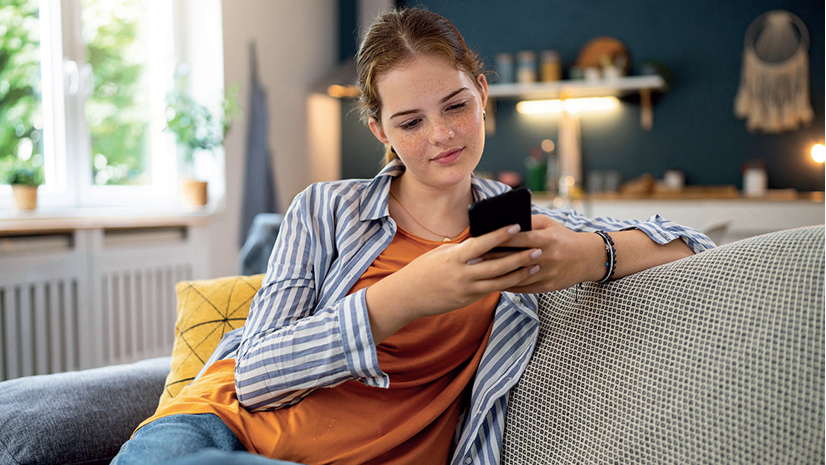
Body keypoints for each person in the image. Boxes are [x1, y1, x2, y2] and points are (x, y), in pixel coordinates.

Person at [112, 7, 714, 465]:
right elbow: (257, 374)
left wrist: (589, 255)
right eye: (410, 121)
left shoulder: (517, 224)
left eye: (455, 105)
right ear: (379, 129)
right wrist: (404, 296)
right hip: (216, 432)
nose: (441, 136)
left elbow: (697, 246)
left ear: (482, 93)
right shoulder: (326, 208)